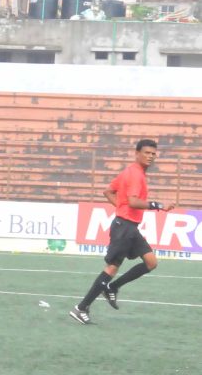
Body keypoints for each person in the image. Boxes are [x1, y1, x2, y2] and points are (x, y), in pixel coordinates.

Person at [70, 139, 173, 324]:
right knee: (111, 268)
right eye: (147, 153)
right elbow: (133, 202)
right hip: (124, 227)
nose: (150, 156)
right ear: (137, 153)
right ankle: (81, 308)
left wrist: (121, 207)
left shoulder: (130, 171)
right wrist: (158, 205)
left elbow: (108, 191)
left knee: (151, 262)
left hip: (129, 226)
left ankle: (112, 288)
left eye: (153, 153)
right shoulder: (135, 175)